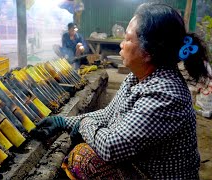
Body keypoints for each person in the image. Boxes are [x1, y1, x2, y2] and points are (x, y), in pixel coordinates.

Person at [33, 2, 211, 179]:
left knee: (83, 157)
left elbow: (111, 147)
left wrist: (84, 124)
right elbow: (108, 114)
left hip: (158, 176)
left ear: (149, 51)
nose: (121, 44)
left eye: (127, 38)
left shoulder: (166, 95)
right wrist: (64, 122)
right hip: (142, 164)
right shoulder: (136, 78)